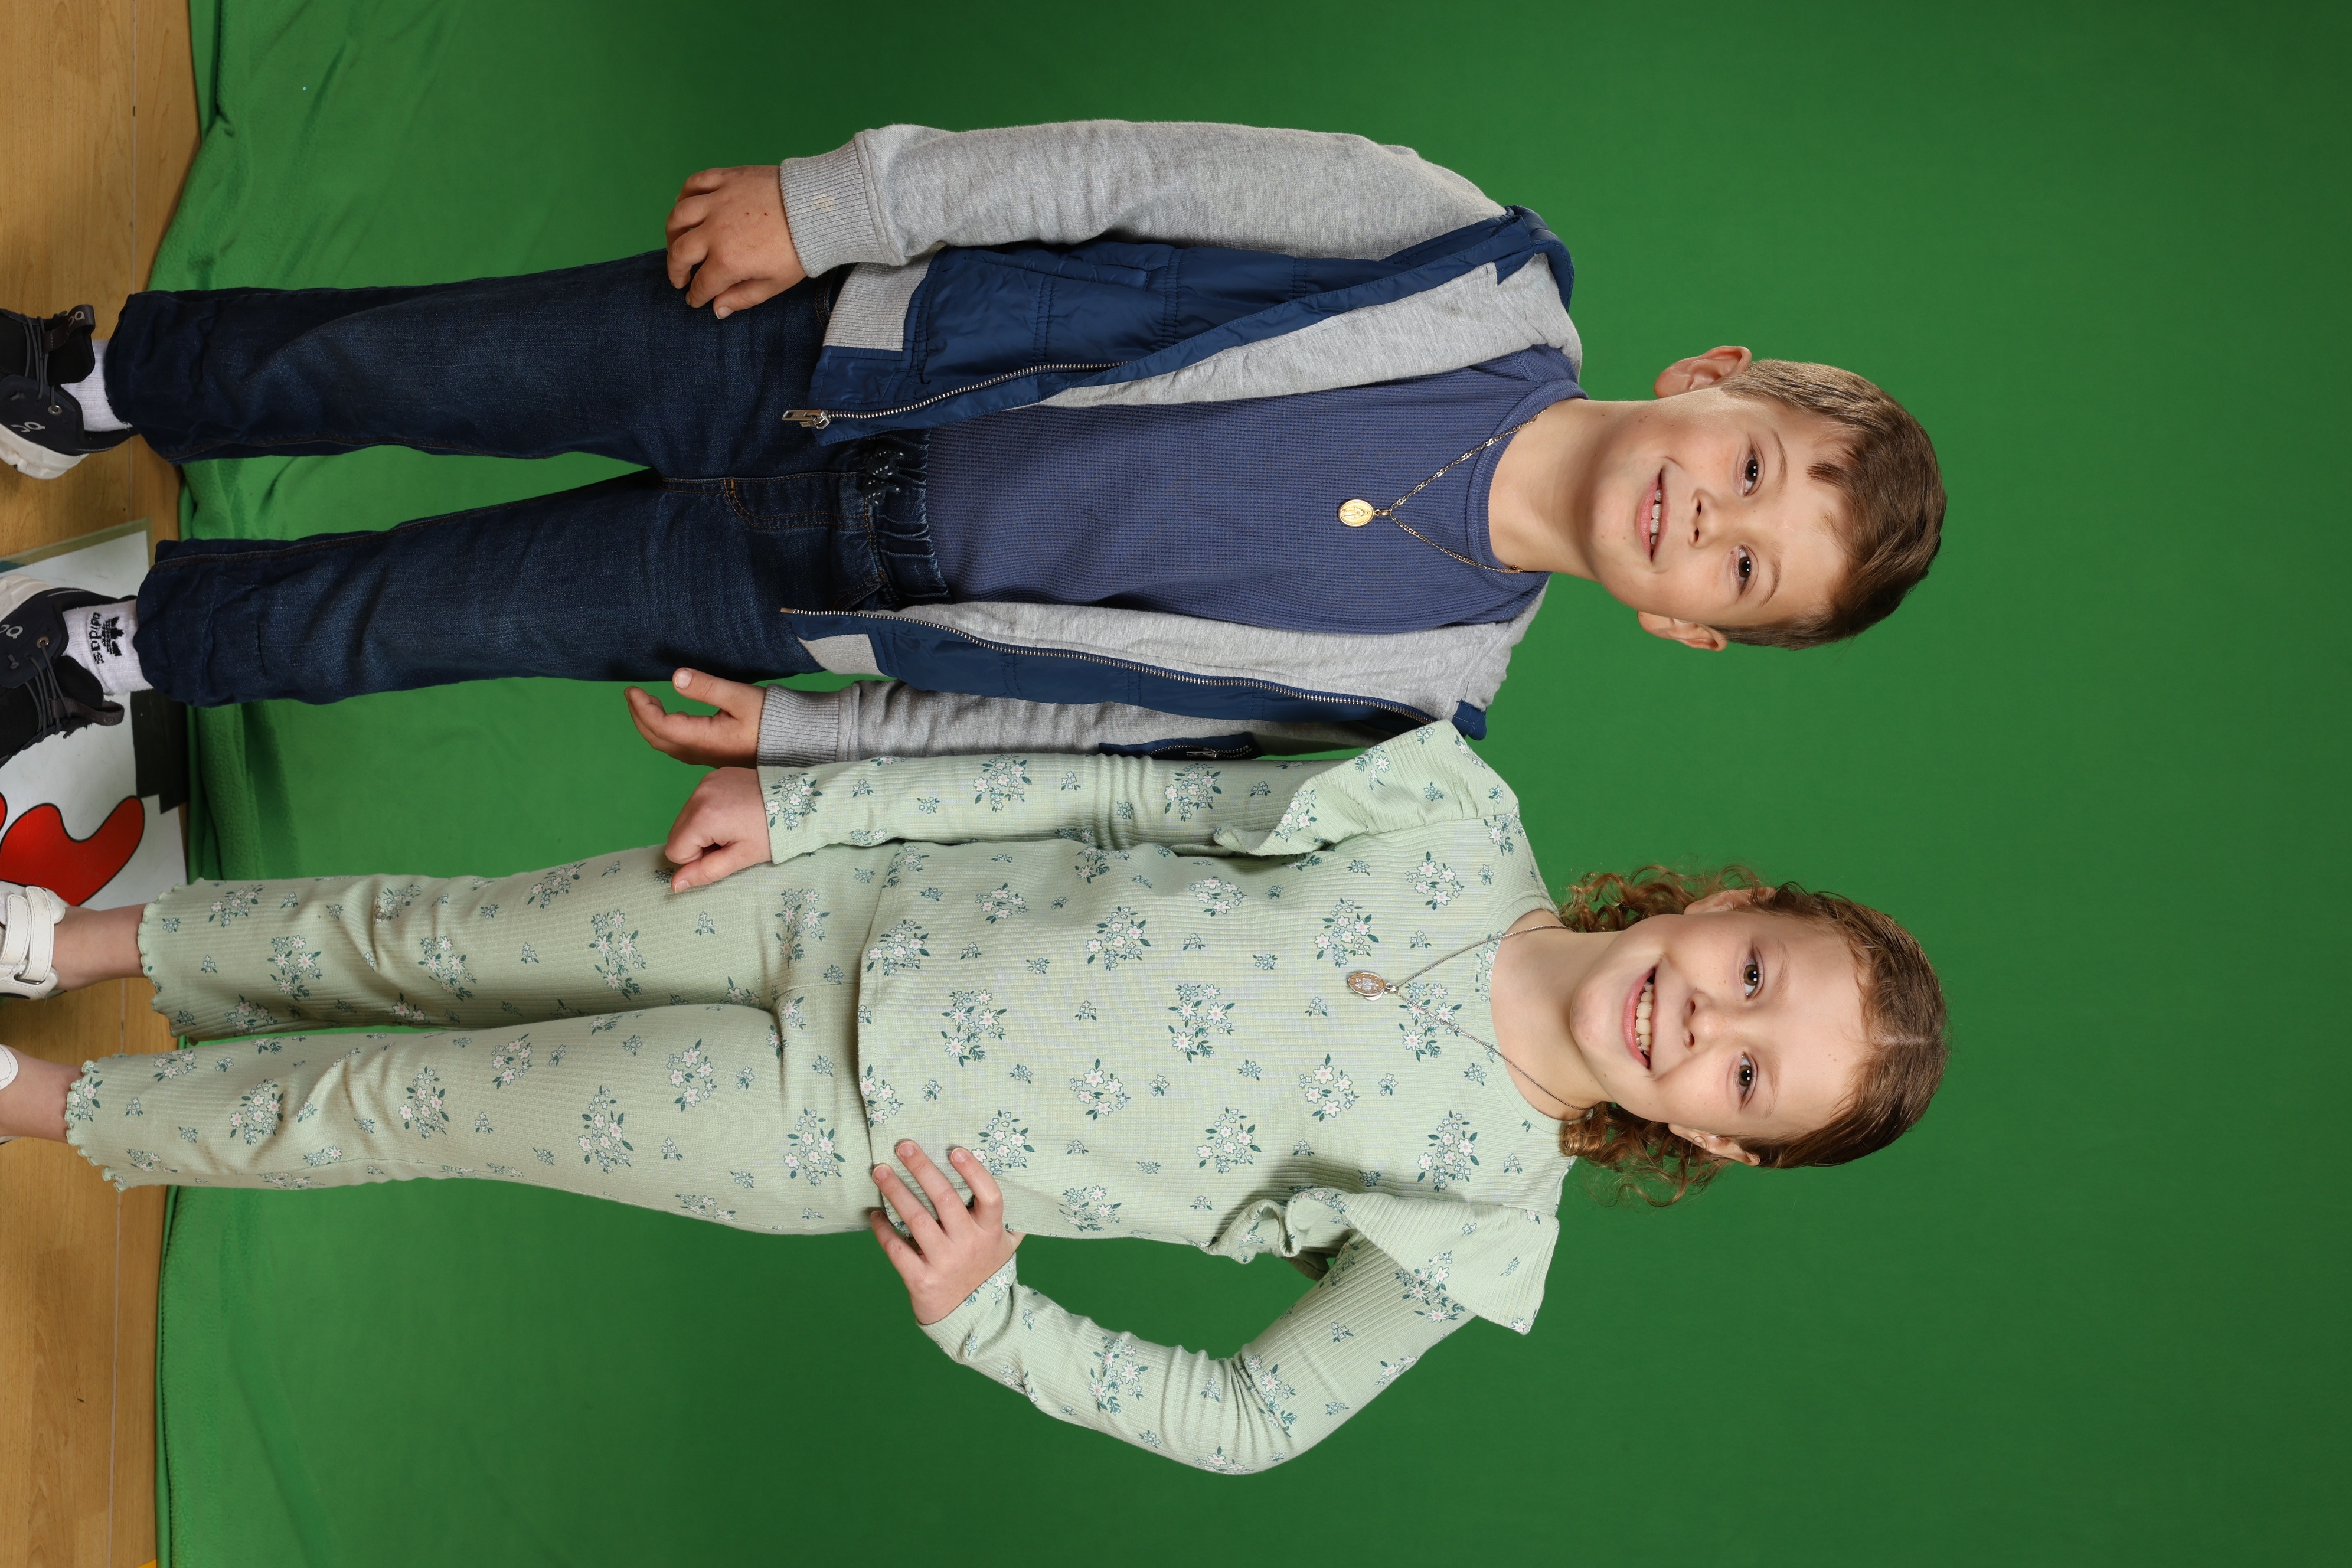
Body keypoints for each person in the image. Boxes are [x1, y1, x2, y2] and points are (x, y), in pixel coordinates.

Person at [0, 726, 1945, 1471]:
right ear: (1723, 903)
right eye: (1753, 970)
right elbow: (1120, 792)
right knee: (430, 935)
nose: (1707, 1020)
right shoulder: (1449, 810)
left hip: (830, 1123)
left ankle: (38, 1105)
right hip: (844, 895)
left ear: (1713, 1141)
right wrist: (820, 804)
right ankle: (58, 945)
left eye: (1748, 1074)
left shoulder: (1481, 1221)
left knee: (414, 1107)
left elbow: (1257, 1417)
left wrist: (997, 1322)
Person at [0, 120, 1945, 772]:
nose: (1712, 513)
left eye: (1743, 565)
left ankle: (125, 643)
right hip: (817, 352)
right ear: (1715, 373)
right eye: (1754, 462)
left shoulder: (1417, 697)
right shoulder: (1462, 259)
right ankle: (101, 379)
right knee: (414, 361)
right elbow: (1126, 173)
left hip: (815, 592)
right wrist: (837, 205)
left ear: (1691, 627)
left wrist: (817, 743)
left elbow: (1079, 727)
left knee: (426, 619)